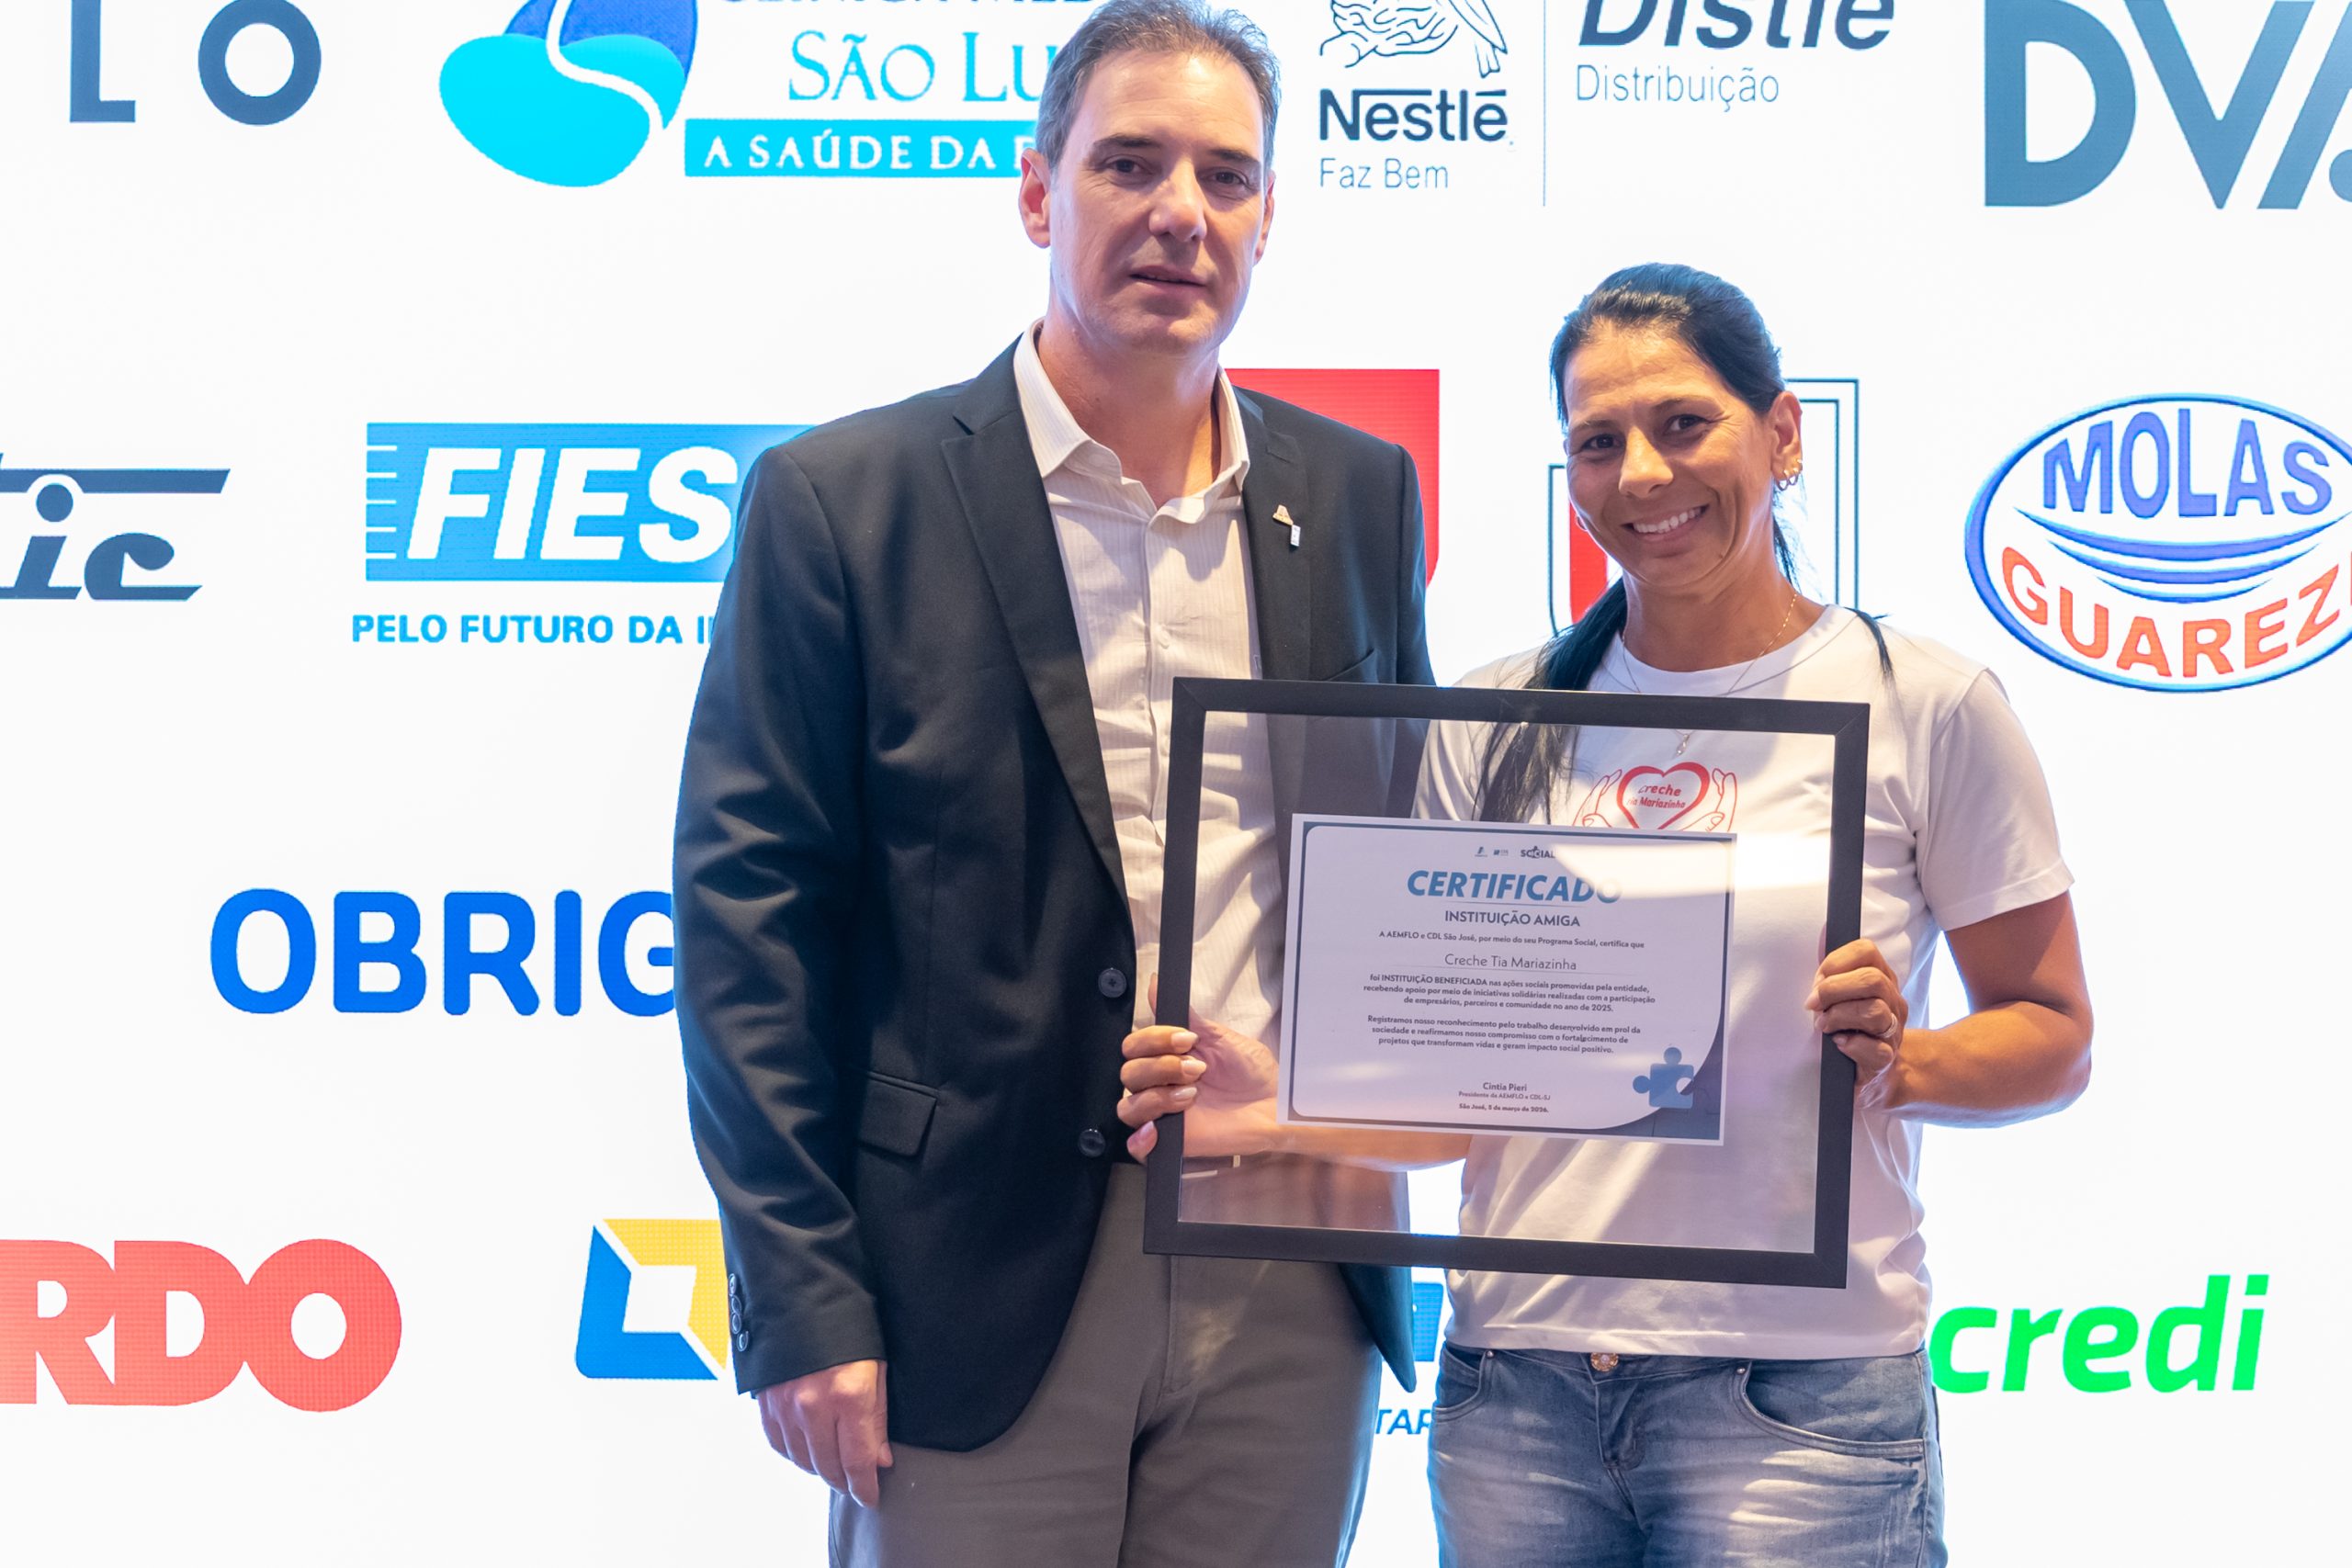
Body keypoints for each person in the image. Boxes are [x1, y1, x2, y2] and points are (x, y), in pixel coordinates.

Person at [1116, 263, 2095, 1566]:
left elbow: (2052, 1033)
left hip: (1797, 1396)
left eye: (1684, 424)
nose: (1641, 473)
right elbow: (1464, 1095)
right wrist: (1272, 1103)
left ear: (1783, 434)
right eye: (1597, 442)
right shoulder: (1498, 716)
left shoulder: (1921, 701)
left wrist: (1901, 1063)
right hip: (1516, 1391)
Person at [670, 4, 1432, 1564]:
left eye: (1226, 176)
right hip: (966, 1275)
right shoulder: (844, 500)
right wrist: (803, 1294)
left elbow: (1400, 861)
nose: (1180, 213)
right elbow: (750, 928)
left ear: (1270, 217)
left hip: (1294, 1264)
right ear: (1037, 193)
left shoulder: (1358, 493)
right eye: (1128, 164)